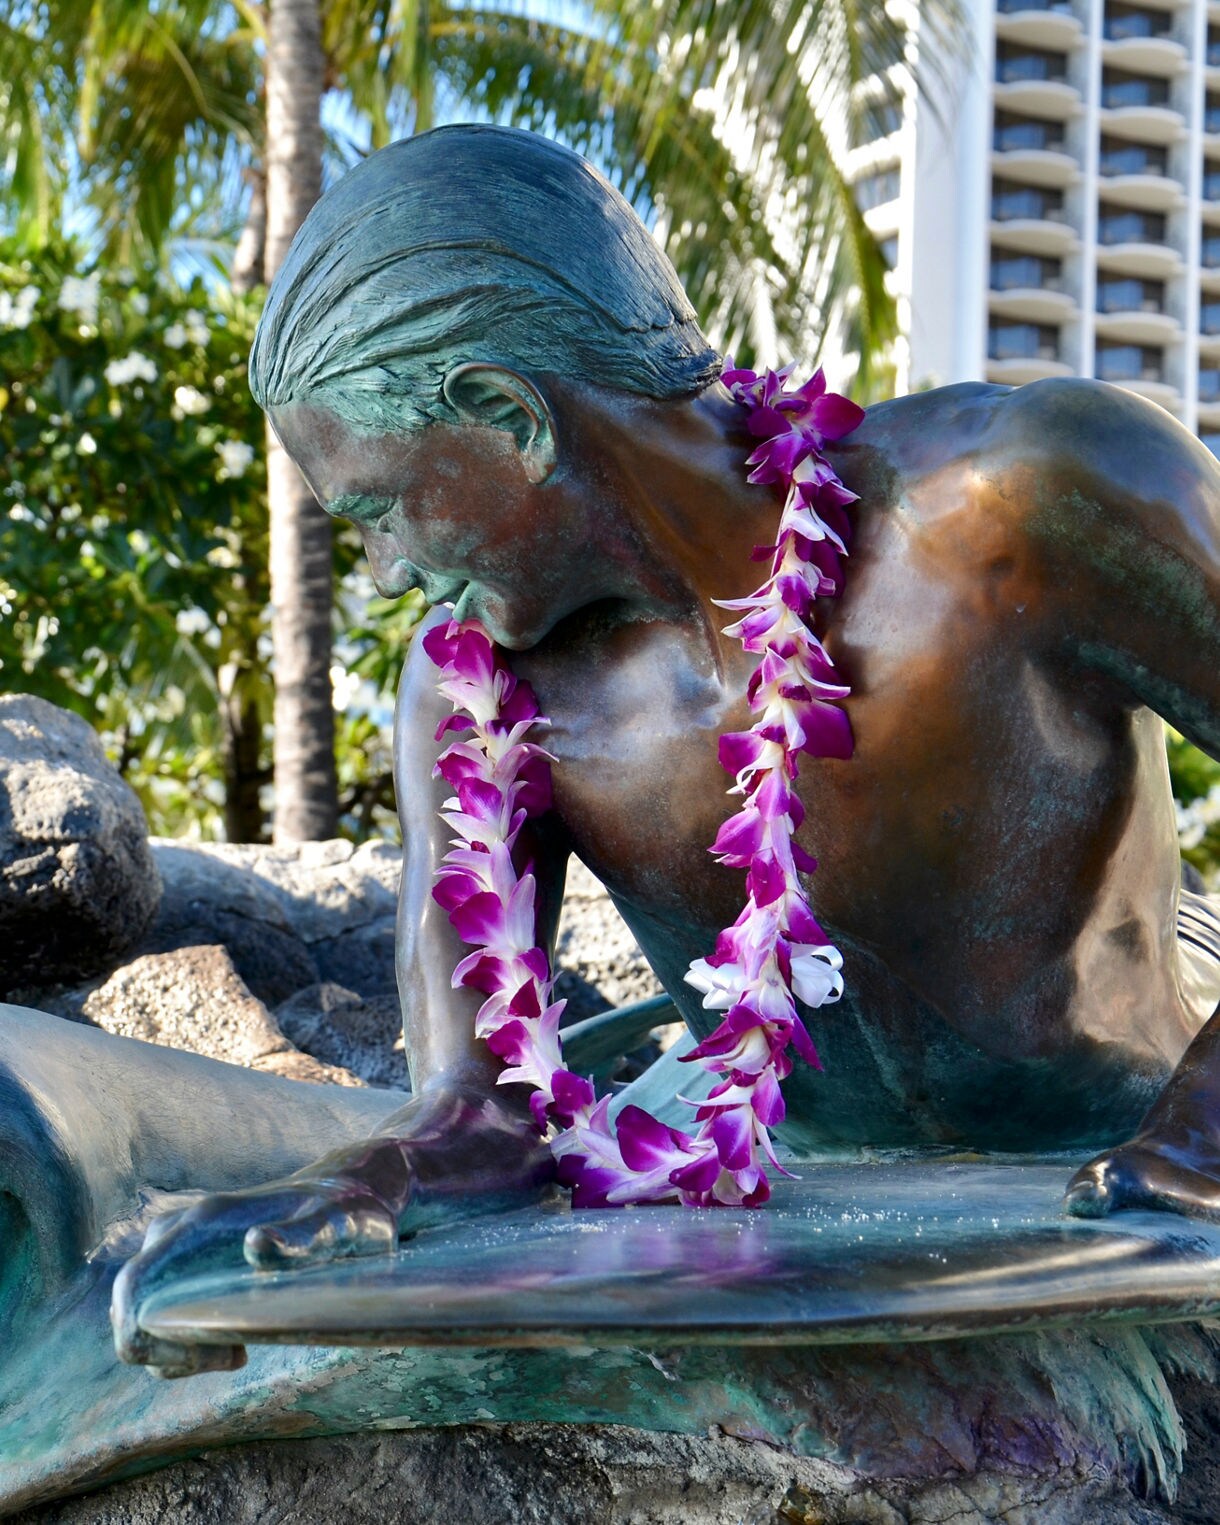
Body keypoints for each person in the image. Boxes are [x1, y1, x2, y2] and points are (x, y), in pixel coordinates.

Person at [113, 123, 1220, 1377]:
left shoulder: (1020, 499)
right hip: (788, 1196)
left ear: (503, 415)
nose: (386, 574)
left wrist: (1202, 1138)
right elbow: (478, 1110)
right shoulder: (473, 693)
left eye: (376, 508)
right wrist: (351, 1183)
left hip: (1128, 1139)